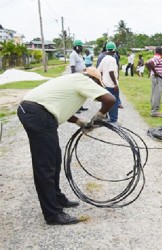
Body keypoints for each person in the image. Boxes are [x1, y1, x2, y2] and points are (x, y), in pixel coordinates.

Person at [17, 67, 116, 225]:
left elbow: (59, 105)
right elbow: (110, 100)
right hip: (38, 114)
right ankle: (53, 214)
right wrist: (99, 115)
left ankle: (57, 198)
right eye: (98, 84)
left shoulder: (73, 81)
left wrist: (78, 121)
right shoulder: (83, 80)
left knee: (54, 159)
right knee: (45, 166)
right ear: (94, 80)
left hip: (37, 113)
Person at [97, 41, 120, 124]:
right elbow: (111, 72)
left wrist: (102, 80)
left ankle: (107, 117)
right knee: (114, 102)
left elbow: (99, 71)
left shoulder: (104, 58)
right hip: (112, 85)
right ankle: (113, 120)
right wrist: (115, 84)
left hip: (105, 84)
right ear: (114, 51)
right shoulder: (112, 59)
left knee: (106, 101)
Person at [145, 47, 162, 117]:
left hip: (157, 78)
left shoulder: (154, 57)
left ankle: (154, 110)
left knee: (154, 94)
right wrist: (155, 72)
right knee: (157, 94)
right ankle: (154, 111)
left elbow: (147, 63)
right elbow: (150, 63)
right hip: (158, 78)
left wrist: (151, 71)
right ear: (161, 52)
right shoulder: (158, 57)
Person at [70, 39, 88, 113]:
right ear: (77, 47)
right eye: (81, 46)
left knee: (81, 93)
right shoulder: (73, 55)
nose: (82, 48)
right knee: (76, 94)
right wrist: (75, 78)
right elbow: (72, 67)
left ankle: (80, 106)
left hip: (81, 76)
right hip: (77, 77)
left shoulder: (79, 55)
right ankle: (75, 108)